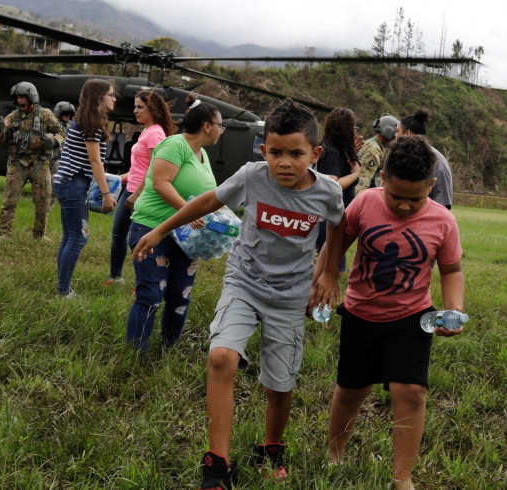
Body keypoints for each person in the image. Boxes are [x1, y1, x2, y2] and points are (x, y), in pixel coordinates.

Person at [131, 98, 345, 489]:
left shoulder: (327, 192)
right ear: (263, 151)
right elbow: (208, 201)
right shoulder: (252, 176)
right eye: (275, 152)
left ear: (314, 154)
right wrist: (161, 230)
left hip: (289, 297)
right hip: (244, 283)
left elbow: (338, 227)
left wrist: (329, 273)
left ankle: (272, 447)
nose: (284, 162)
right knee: (221, 357)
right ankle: (217, 465)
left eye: (295, 154)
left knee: (278, 385)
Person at [311, 134, 465, 490]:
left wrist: (454, 307)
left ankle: (402, 477)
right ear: (382, 180)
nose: (406, 206)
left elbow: (452, 270)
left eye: (416, 198)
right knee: (351, 390)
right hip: (361, 314)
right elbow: (337, 240)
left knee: (411, 392)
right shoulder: (365, 203)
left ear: (432, 185)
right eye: (396, 197)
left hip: (413, 319)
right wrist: (326, 276)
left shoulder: (443, 222)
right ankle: (334, 454)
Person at [125, 93, 218, 352]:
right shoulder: (174, 145)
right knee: (152, 294)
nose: (222, 131)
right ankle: (136, 356)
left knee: (180, 296)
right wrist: (188, 210)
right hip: (153, 229)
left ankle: (169, 350)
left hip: (187, 237)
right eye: (221, 126)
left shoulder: (202, 155)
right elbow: (160, 183)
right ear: (207, 126)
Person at [52, 79, 117, 297]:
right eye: (111, 94)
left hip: (65, 182)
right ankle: (63, 291)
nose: (114, 98)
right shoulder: (92, 123)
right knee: (79, 237)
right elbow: (95, 161)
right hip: (73, 183)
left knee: (69, 237)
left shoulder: (84, 120)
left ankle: (62, 287)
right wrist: (106, 193)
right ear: (99, 97)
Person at [107, 90, 176, 286]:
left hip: (141, 194)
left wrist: (137, 194)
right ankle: (116, 277)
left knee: (138, 239)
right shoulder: (147, 130)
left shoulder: (155, 134)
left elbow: (156, 168)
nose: (135, 111)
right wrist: (118, 178)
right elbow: (141, 167)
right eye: (135, 106)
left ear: (152, 109)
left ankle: (143, 283)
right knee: (119, 234)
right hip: (130, 188)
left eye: (139, 107)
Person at [0, 81, 66, 240]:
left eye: (23, 97)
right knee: (9, 201)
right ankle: (4, 234)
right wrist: (0, 131)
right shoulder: (12, 117)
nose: (20, 101)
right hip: (17, 163)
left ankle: (39, 235)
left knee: (43, 202)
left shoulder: (45, 114)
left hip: (40, 164)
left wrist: (54, 141)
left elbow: (61, 133)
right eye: (18, 97)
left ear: (31, 97)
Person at [315, 107, 362, 274]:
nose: (354, 131)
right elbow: (331, 184)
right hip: (329, 216)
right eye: (353, 127)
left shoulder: (337, 149)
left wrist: (352, 153)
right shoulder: (331, 152)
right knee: (330, 266)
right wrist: (356, 174)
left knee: (334, 264)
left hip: (337, 214)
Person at [396, 108, 453, 209]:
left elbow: (442, 205)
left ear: (407, 134)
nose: (395, 136)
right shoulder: (398, 157)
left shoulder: (437, 162)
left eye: (397, 131)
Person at [354, 113, 398, 194]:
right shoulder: (374, 149)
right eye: (395, 136)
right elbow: (362, 182)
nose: (396, 139)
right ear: (388, 132)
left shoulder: (381, 146)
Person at [49, 101, 76, 208]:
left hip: (66, 163)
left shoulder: (72, 127)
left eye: (69, 115)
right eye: (65, 114)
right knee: (50, 191)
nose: (67, 117)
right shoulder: (52, 126)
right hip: (53, 161)